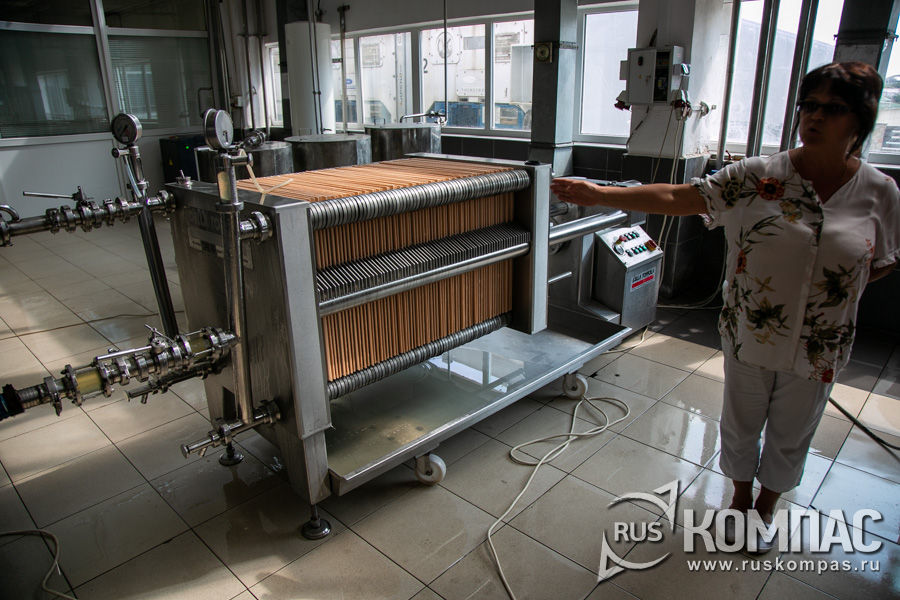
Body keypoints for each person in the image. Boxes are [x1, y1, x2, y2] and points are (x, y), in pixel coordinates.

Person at [550, 61, 899, 547]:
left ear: (860, 121)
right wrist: (601, 194)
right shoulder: (759, 176)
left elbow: (881, 261)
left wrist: (834, 289)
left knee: (794, 431)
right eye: (809, 105)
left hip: (822, 344)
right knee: (741, 424)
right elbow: (680, 196)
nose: (815, 117)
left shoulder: (880, 192)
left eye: (833, 108)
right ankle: (738, 498)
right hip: (751, 331)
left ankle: (766, 506)